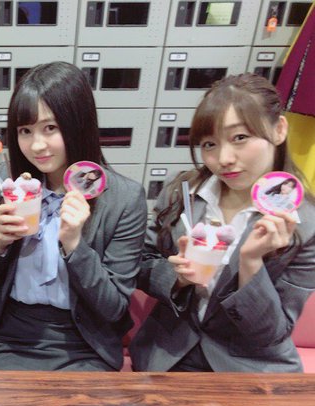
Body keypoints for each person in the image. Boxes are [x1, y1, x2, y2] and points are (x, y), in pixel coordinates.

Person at [130, 73, 315, 372]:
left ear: (279, 129)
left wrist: (251, 264)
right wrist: (178, 278)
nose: (224, 158)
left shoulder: (306, 225)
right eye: (209, 144)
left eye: (239, 138)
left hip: (249, 365)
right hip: (168, 356)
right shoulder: (181, 194)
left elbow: (270, 334)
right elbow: (140, 262)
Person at [0, 61, 147, 371]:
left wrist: (74, 245)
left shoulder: (124, 199)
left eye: (50, 128)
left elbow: (114, 308)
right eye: (25, 131)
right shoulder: (10, 185)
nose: (37, 145)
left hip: (86, 341)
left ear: (78, 124)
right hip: (14, 335)